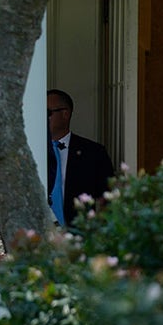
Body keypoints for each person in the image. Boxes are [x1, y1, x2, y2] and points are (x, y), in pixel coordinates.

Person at [47, 88, 114, 226]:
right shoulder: (32, 150)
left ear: (65, 114)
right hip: (36, 237)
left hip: (79, 235)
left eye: (47, 113)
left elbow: (107, 198)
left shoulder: (94, 153)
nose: (41, 117)